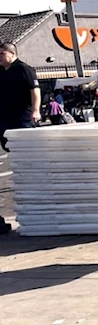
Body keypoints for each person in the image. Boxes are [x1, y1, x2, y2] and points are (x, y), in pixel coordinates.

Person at [0, 42, 41, 236]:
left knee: (29, 155)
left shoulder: (24, 69)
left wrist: (35, 111)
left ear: (12, 53)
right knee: (12, 154)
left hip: (22, 118)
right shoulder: (2, 72)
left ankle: (34, 189)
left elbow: (35, 91)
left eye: (1, 53)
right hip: (4, 120)